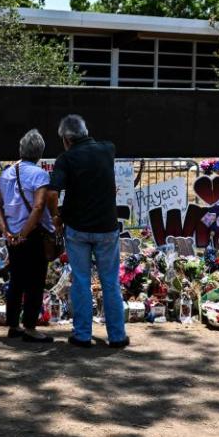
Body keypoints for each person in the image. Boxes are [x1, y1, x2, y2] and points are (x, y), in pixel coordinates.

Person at [47, 115, 129, 349]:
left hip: (78, 229)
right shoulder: (107, 149)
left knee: (81, 281)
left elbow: (53, 194)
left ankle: (82, 335)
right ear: (85, 131)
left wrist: (56, 217)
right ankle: (117, 336)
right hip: (107, 227)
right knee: (110, 282)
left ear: (66, 139)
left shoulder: (66, 158)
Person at [0, 129, 56, 343]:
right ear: (40, 152)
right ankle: (30, 327)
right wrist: (23, 234)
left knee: (16, 280)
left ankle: (13, 325)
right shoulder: (40, 174)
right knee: (36, 281)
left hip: (12, 236)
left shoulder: (7, 173)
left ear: (21, 148)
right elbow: (38, 207)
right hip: (33, 235)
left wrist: (7, 232)